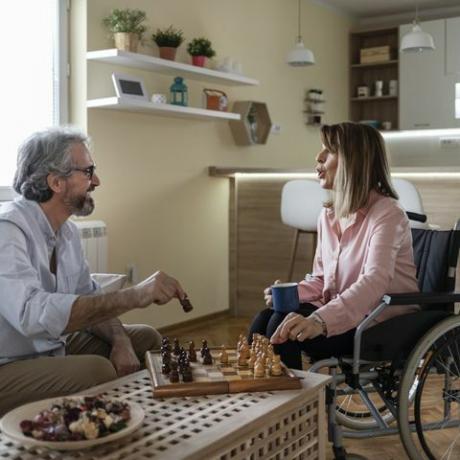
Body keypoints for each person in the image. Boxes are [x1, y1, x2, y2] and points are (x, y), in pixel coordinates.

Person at [0, 127, 188, 415]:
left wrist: (121, 340)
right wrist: (135, 296)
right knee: (96, 371)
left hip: (48, 348)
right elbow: (30, 316)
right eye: (88, 172)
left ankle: (129, 424)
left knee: (146, 341)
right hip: (8, 363)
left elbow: (88, 296)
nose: (96, 181)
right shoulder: (7, 231)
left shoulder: (67, 233)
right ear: (56, 182)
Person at [249, 122, 419, 369]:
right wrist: (293, 293)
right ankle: (258, 397)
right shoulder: (328, 216)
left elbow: (375, 280)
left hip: (379, 323)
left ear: (354, 161)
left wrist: (320, 319)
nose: (318, 157)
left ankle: (294, 405)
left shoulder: (388, 214)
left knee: (282, 327)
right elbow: (323, 279)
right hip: (345, 313)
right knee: (265, 319)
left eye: (328, 151)